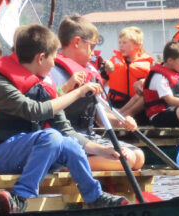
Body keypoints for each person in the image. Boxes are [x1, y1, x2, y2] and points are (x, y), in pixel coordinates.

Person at [0, 24, 129, 215]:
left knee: (68, 143)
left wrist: (105, 150)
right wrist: (77, 93)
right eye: (53, 57)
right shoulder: (0, 84)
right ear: (41, 58)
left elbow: (66, 129)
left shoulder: (42, 85)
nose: (54, 64)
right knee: (51, 136)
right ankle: (20, 197)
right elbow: (36, 111)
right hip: (3, 154)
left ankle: (94, 197)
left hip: (38, 152)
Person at [52, 16, 145, 173]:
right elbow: (49, 105)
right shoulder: (54, 71)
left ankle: (109, 188)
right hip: (65, 138)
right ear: (77, 42)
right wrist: (68, 88)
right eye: (91, 46)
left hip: (88, 135)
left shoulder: (90, 72)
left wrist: (121, 121)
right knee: (127, 159)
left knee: (139, 156)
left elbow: (99, 117)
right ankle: (63, 167)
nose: (93, 53)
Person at [107, 26, 154, 119]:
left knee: (143, 94)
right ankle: (119, 115)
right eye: (119, 42)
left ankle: (121, 115)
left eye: (124, 42)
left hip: (138, 107)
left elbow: (152, 84)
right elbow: (101, 80)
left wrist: (144, 81)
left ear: (137, 45)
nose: (121, 45)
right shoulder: (113, 62)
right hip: (116, 103)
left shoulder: (148, 64)